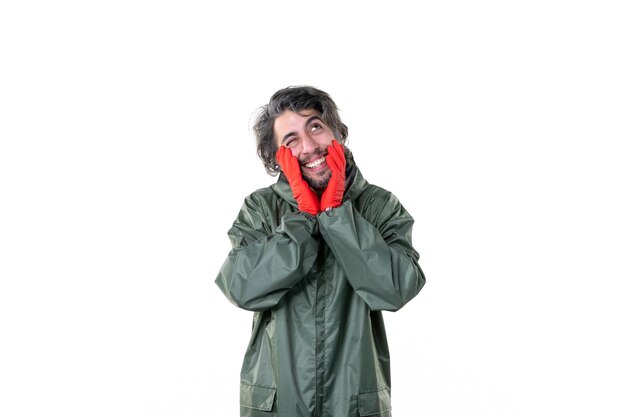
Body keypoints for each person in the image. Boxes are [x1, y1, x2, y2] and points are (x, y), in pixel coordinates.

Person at [215, 86, 426, 417]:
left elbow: (396, 289)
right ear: (277, 157)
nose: (310, 146)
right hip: (278, 402)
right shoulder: (260, 208)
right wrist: (303, 220)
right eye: (292, 140)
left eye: (315, 127)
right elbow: (241, 286)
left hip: (354, 401)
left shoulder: (379, 206)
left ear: (337, 132)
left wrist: (336, 216)